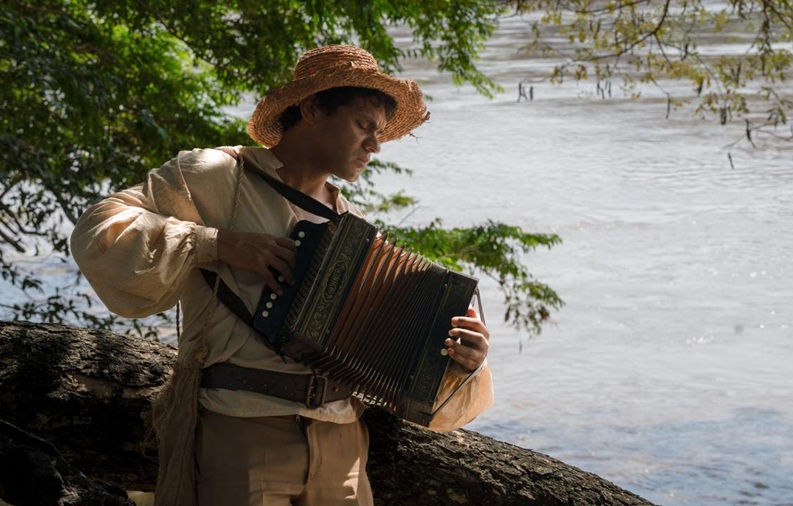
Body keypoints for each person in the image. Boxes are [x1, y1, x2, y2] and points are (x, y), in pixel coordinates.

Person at [70, 45, 493, 506]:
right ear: (312, 108)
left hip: (343, 444)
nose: (375, 145)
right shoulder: (219, 176)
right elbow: (98, 231)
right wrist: (218, 243)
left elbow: (395, 362)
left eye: (380, 134)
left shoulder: (354, 228)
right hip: (241, 430)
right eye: (364, 127)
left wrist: (462, 361)